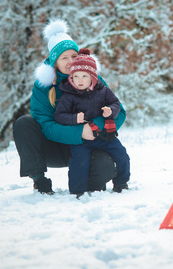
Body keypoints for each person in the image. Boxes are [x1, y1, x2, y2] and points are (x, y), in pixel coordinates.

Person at [13, 19, 126, 194]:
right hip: (55, 147)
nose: (70, 61)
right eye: (63, 58)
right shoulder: (43, 86)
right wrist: (78, 132)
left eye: (74, 56)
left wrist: (95, 126)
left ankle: (90, 184)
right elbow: (45, 124)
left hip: (88, 144)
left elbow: (119, 112)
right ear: (54, 62)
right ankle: (39, 180)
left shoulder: (90, 78)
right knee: (23, 124)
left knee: (104, 166)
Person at [54, 49, 130, 197]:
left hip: (105, 136)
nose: (79, 80)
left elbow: (116, 104)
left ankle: (121, 183)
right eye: (75, 76)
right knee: (79, 162)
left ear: (93, 77)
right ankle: (77, 191)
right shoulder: (68, 96)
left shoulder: (104, 91)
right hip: (82, 139)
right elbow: (59, 116)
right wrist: (74, 118)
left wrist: (110, 111)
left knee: (122, 155)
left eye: (84, 76)